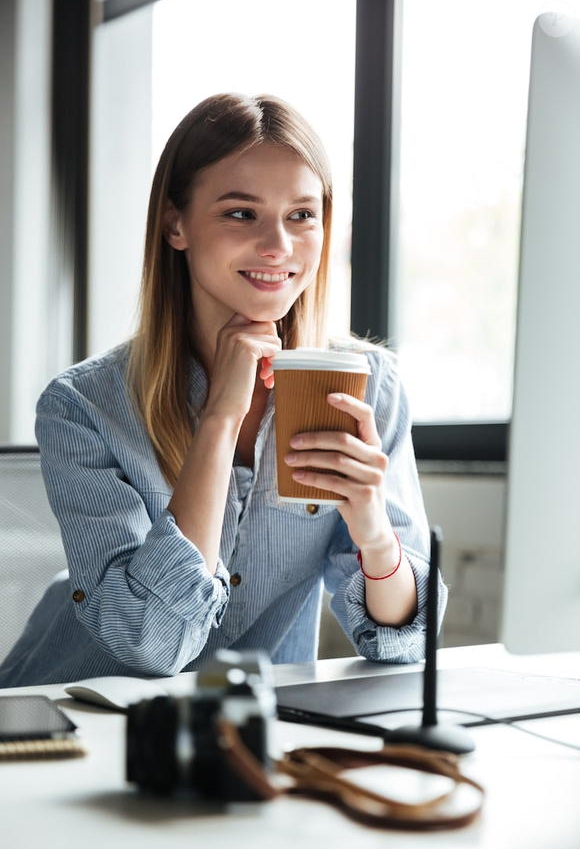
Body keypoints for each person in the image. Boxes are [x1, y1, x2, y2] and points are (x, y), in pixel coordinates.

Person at [0, 93, 447, 687]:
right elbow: (150, 644)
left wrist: (372, 529)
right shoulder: (83, 406)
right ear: (175, 223)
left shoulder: (368, 388)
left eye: (302, 215)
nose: (278, 247)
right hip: (72, 716)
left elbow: (405, 645)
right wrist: (218, 421)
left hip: (247, 732)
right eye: (241, 213)